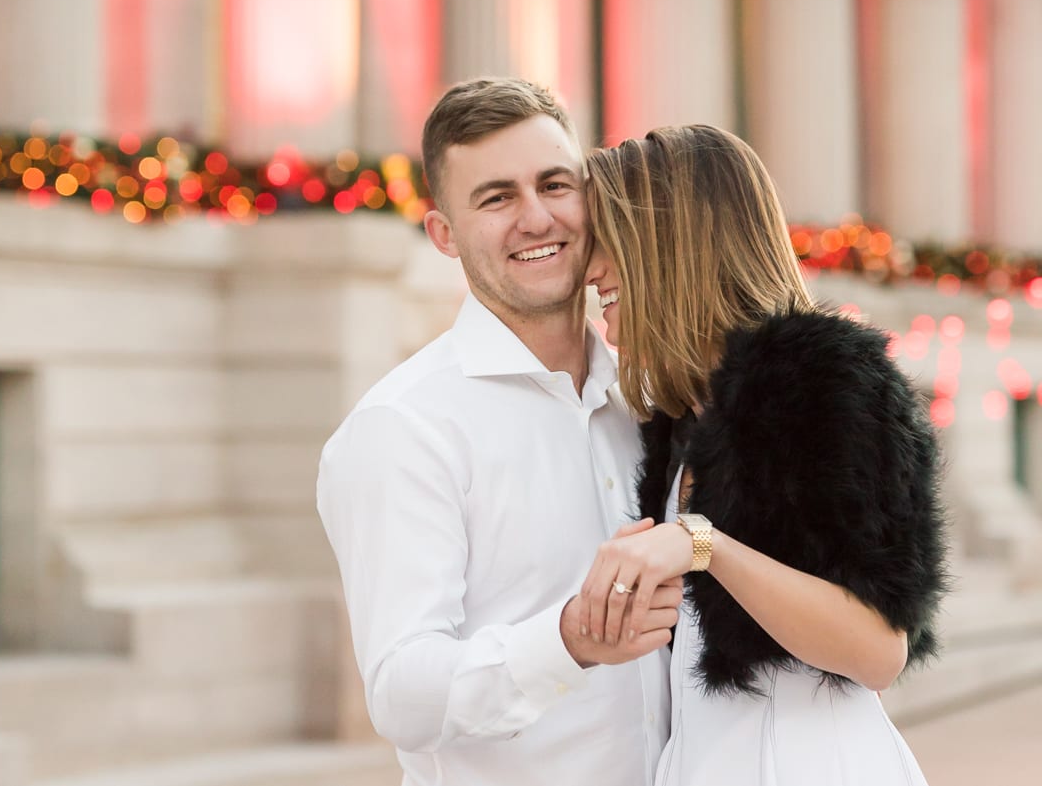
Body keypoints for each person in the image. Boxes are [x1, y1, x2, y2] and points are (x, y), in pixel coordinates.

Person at [317, 78, 679, 786]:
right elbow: (402, 691)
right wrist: (570, 637)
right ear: (444, 235)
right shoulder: (404, 428)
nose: (536, 218)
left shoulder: (650, 399)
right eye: (497, 197)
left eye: (554, 184)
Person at [579, 125, 948, 786]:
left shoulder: (822, 386)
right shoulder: (681, 422)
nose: (593, 268)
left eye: (610, 239)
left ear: (672, 245)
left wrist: (702, 544)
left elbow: (879, 649)